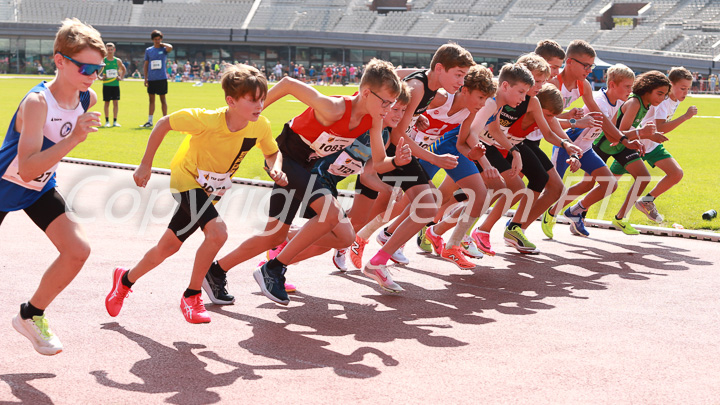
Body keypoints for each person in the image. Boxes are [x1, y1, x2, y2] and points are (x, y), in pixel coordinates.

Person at [207, 58, 406, 304]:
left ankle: (216, 271)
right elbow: (288, 83)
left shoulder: (374, 119)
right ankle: (274, 269)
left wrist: (396, 161)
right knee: (330, 214)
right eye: (385, 102)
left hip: (307, 167)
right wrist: (251, 116)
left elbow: (378, 162)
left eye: (392, 104)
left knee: (327, 237)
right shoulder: (334, 108)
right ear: (366, 93)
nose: (388, 109)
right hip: (286, 159)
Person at [105, 64, 286, 324]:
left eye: (262, 99)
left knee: (168, 246)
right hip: (186, 180)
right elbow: (164, 123)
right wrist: (145, 165)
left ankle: (124, 280)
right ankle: (191, 295)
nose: (260, 105)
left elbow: (271, 152)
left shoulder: (260, 126)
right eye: (252, 99)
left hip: (212, 190)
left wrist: (275, 168)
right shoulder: (206, 119)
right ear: (231, 101)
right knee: (218, 233)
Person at [1, 18, 105, 355]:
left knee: (78, 250)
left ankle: (31, 314)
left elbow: (36, 175)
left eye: (98, 69)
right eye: (85, 67)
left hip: (39, 189)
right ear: (60, 60)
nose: (91, 76)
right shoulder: (37, 103)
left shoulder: (86, 98)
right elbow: (28, 167)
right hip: (5, 186)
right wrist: (76, 136)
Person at [545, 64, 636, 238]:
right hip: (568, 145)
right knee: (553, 189)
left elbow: (610, 136)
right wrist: (627, 139)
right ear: (612, 84)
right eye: (627, 86)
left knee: (609, 183)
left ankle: (574, 211)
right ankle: (538, 217)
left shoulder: (618, 102)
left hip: (586, 148)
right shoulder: (599, 101)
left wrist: (627, 139)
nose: (630, 91)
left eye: (632, 86)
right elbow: (609, 128)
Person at [140, 30, 172, 128]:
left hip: (162, 78)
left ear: (161, 39)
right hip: (152, 78)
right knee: (151, 100)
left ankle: (165, 120)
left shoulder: (164, 49)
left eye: (159, 39)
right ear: (152, 40)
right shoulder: (149, 50)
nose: (157, 41)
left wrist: (162, 44)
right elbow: (146, 64)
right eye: (155, 39)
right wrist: (145, 78)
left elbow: (170, 47)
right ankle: (150, 121)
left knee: (163, 99)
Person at [100, 42, 126, 128]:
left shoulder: (117, 61)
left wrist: (120, 77)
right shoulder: (103, 60)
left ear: (114, 50)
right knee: (107, 103)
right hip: (106, 85)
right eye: (108, 49)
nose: (110, 51)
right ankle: (107, 121)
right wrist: (100, 77)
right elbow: (98, 70)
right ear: (106, 50)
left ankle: (115, 121)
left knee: (115, 103)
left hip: (115, 85)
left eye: (111, 49)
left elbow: (123, 69)